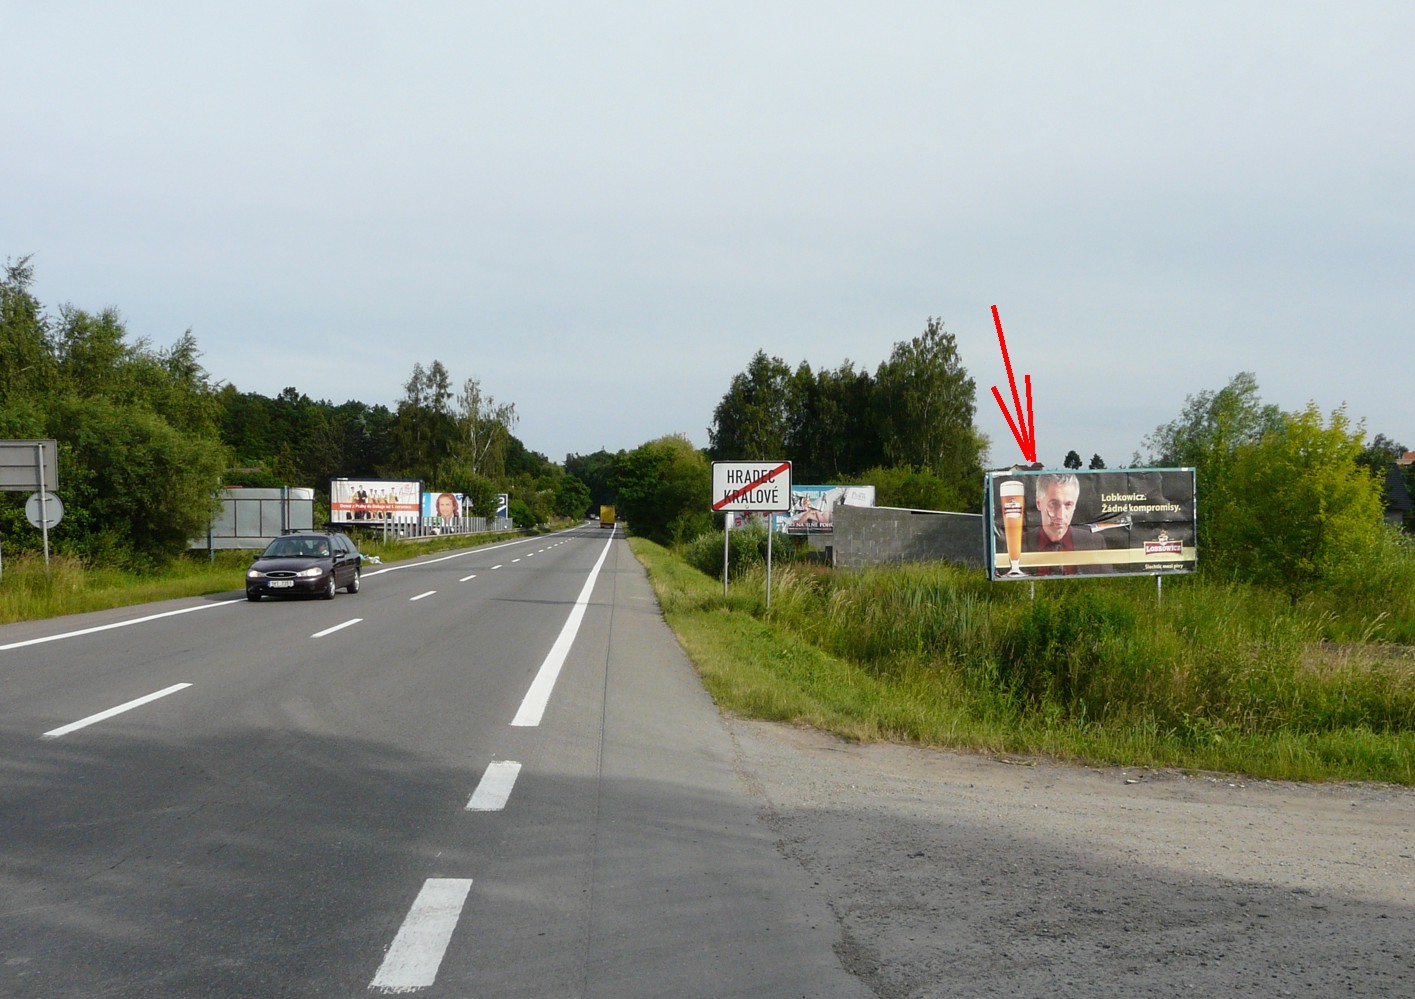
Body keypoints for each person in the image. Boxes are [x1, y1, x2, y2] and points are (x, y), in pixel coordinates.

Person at [1030, 472, 1113, 576]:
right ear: (1039, 503)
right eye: (1054, 504)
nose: (1060, 514)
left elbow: (1107, 587)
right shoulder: (1019, 546)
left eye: (1068, 505)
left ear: (1075, 506)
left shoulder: (1095, 544)